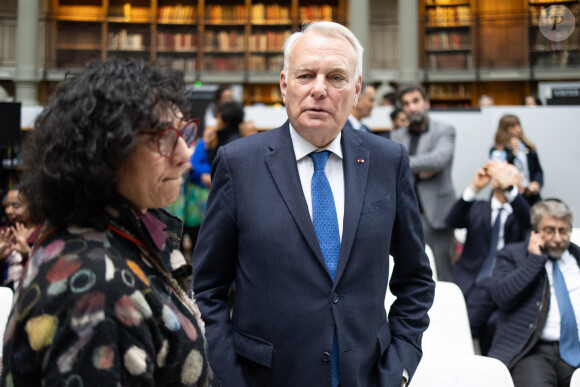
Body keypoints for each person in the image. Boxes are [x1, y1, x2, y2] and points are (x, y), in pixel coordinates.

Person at [193, 21, 435, 387]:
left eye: (336, 77)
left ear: (355, 91)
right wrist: (228, 378)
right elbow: (207, 290)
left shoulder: (389, 162)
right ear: (284, 84)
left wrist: (398, 368)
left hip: (366, 377)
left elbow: (416, 279)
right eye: (306, 75)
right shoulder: (239, 164)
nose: (319, 90)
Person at [1, 58, 217, 386]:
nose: (186, 153)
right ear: (105, 152)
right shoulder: (96, 290)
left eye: (184, 131)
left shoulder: (107, 231)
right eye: (163, 138)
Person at [488, 199, 579, 387]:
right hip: (531, 351)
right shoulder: (512, 255)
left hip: (575, 349)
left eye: (563, 231)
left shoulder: (577, 257)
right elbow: (502, 297)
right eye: (549, 230)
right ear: (535, 230)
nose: (557, 238)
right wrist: (534, 260)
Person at [445, 160, 530, 355]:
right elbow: (451, 220)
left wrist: (508, 187)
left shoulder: (522, 213)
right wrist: (475, 187)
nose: (501, 174)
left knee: (484, 322)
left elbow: (529, 223)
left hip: (503, 284)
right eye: (499, 173)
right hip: (468, 280)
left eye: (509, 173)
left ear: (519, 185)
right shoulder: (479, 207)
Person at [391, 84, 457, 282]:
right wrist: (423, 170)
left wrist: (405, 162)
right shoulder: (397, 135)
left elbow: (439, 159)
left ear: (426, 103)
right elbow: (394, 169)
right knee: (412, 270)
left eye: (416, 101)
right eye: (406, 103)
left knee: (442, 271)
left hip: (438, 213)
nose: (412, 108)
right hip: (408, 213)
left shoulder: (445, 130)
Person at [491, 114, 544, 207]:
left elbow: (538, 170)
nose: (517, 129)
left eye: (518, 125)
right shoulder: (497, 151)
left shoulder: (529, 148)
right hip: (506, 195)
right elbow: (498, 172)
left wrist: (537, 183)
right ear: (504, 129)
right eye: (513, 127)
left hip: (529, 194)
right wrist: (513, 152)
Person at [0, 185, 41, 290]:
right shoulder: (4, 233)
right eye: (7, 205)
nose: (8, 211)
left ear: (32, 206)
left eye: (15, 206)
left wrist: (28, 252)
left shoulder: (43, 233)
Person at [205, 100, 244, 166]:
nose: (217, 120)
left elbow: (216, 166)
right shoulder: (229, 137)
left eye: (218, 117)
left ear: (226, 119)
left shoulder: (229, 143)